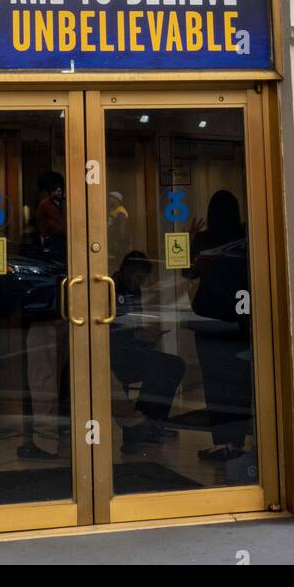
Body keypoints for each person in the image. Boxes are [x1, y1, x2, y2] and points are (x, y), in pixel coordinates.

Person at [185, 189, 256, 472]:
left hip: (209, 322)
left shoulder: (204, 240)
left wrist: (189, 239)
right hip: (239, 321)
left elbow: (186, 273)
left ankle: (222, 442)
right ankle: (238, 442)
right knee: (240, 383)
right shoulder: (245, 237)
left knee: (213, 383)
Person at [110, 251, 185, 453]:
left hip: (129, 351)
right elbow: (106, 331)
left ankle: (150, 421)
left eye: (143, 279)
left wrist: (146, 338)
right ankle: (140, 424)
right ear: (126, 271)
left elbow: (133, 325)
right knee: (164, 366)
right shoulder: (109, 288)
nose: (141, 283)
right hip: (113, 355)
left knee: (172, 365)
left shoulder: (134, 292)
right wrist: (136, 335)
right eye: (139, 277)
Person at [19, 169, 68, 461]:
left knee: (42, 377)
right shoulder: (72, 214)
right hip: (69, 305)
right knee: (90, 370)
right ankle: (134, 423)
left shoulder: (47, 215)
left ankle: (46, 442)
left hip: (47, 306)